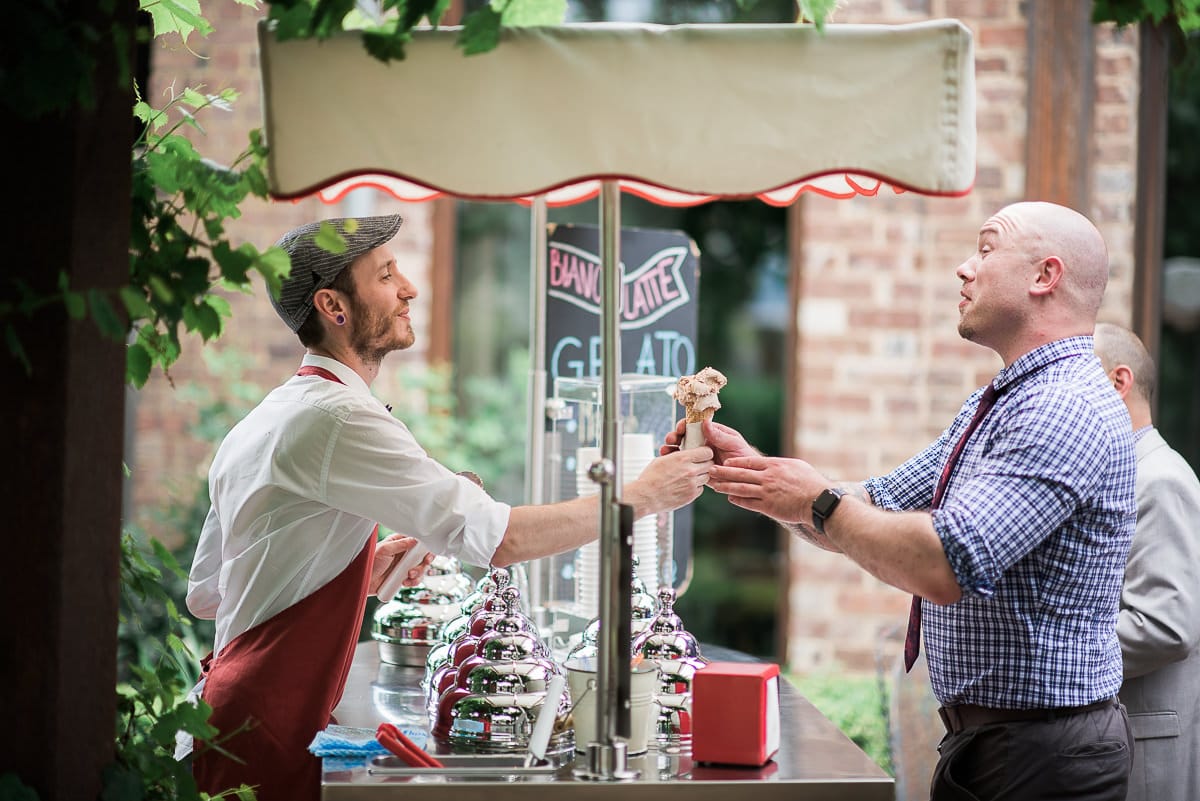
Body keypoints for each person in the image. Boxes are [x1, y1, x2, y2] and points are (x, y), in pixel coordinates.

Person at [178, 214, 714, 801]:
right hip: (266, 736)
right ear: (333, 306)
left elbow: (209, 593)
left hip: (224, 717)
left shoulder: (266, 419)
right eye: (386, 274)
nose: (409, 287)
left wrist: (352, 565)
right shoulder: (340, 419)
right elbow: (498, 539)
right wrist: (638, 498)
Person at [672, 202, 1137, 800]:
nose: (963, 269)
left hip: (1041, 755)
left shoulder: (1059, 406)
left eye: (987, 249)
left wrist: (815, 501)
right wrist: (755, 476)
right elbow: (872, 504)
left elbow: (944, 565)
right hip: (1007, 745)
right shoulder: (1004, 399)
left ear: (1044, 277)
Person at [1093, 322, 1200, 801]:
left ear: (1120, 382)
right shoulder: (1128, 474)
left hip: (1146, 744)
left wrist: (1055, 649)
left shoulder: (1159, 480)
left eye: (1076, 380)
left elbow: (1165, 626)